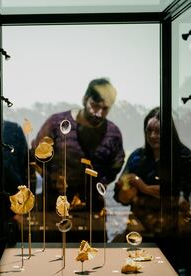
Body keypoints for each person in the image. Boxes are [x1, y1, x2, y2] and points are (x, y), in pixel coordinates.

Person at [31, 77, 125, 240]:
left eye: (105, 109)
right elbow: (36, 156)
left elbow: (115, 165)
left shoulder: (113, 133)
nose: (99, 113)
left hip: (92, 211)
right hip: (53, 206)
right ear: (84, 99)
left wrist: (98, 183)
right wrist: (53, 178)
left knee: (92, 262)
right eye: (95, 105)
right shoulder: (56, 123)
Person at [113, 106, 191, 275]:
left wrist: (141, 186)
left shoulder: (183, 156)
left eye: (158, 131)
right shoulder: (137, 156)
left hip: (175, 238)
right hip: (141, 235)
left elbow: (176, 194)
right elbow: (121, 196)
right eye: (149, 131)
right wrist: (125, 191)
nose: (153, 136)